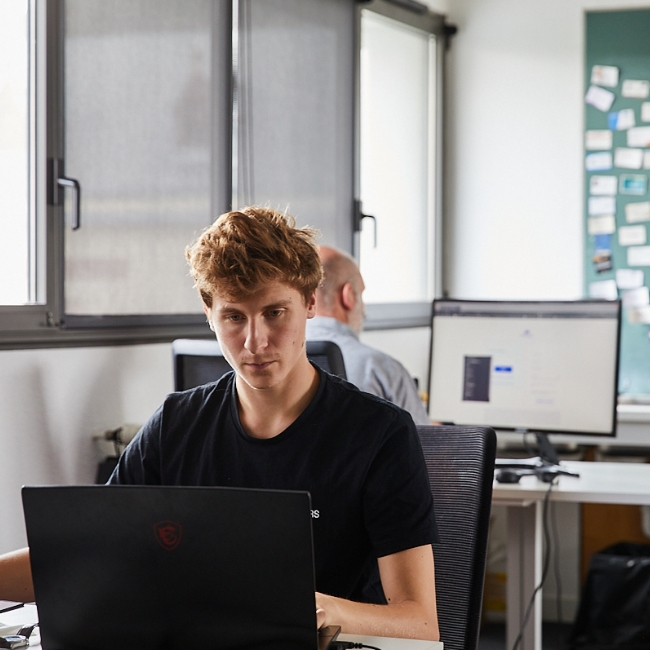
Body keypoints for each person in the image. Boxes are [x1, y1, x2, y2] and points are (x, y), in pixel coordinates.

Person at [0, 207, 439, 641]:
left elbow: (420, 621)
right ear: (209, 312)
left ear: (309, 303)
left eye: (274, 312)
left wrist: (324, 608)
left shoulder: (380, 433)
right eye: (234, 317)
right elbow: (88, 555)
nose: (255, 342)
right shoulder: (175, 424)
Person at [307, 245, 430, 425]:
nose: (364, 310)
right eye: (361, 294)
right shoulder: (380, 368)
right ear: (348, 296)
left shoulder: (285, 358)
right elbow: (424, 444)